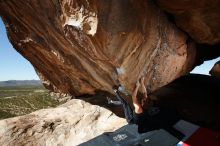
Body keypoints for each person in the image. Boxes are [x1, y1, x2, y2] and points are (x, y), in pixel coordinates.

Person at [108, 77, 182, 135]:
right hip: (142, 118)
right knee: (130, 103)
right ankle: (112, 101)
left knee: (125, 104)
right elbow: (144, 94)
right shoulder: (147, 105)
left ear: (143, 105)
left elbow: (133, 97)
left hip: (131, 120)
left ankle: (115, 92)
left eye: (143, 101)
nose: (143, 100)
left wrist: (137, 86)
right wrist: (142, 82)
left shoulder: (139, 109)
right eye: (145, 100)